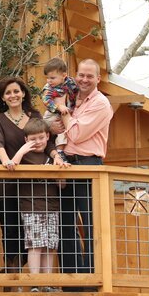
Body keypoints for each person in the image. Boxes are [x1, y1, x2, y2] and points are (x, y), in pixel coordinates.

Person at [0, 77, 66, 278]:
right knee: (12, 234)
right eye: (8, 93)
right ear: (3, 98)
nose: (13, 95)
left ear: (23, 93)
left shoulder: (34, 115)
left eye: (16, 91)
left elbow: (48, 142)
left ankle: (26, 276)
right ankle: (12, 278)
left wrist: (57, 156)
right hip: (7, 183)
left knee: (33, 235)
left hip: (32, 187)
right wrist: (7, 162)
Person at [54, 59, 113, 283]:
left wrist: (64, 115)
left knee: (90, 223)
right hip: (65, 163)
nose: (84, 80)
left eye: (90, 76)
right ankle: (71, 280)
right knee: (64, 222)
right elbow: (55, 127)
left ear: (98, 79)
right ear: (75, 75)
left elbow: (77, 135)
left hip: (89, 164)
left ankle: (91, 278)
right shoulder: (70, 97)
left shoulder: (101, 104)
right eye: (81, 75)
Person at [7, 118, 68, 292]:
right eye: (33, 139)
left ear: (48, 136)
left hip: (52, 207)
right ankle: (34, 282)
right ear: (26, 140)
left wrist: (59, 170)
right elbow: (12, 166)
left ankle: (47, 282)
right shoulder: (25, 156)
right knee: (35, 245)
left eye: (41, 137)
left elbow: (62, 184)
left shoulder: (51, 157)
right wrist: (21, 150)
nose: (38, 142)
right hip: (31, 207)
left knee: (50, 245)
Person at [41, 58, 79, 159]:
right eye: (47, 78)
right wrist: (58, 106)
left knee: (65, 130)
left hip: (67, 111)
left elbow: (77, 91)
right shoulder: (49, 87)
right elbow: (46, 100)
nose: (49, 81)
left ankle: (61, 151)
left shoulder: (70, 83)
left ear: (64, 75)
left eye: (52, 78)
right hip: (52, 113)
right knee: (43, 128)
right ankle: (58, 152)